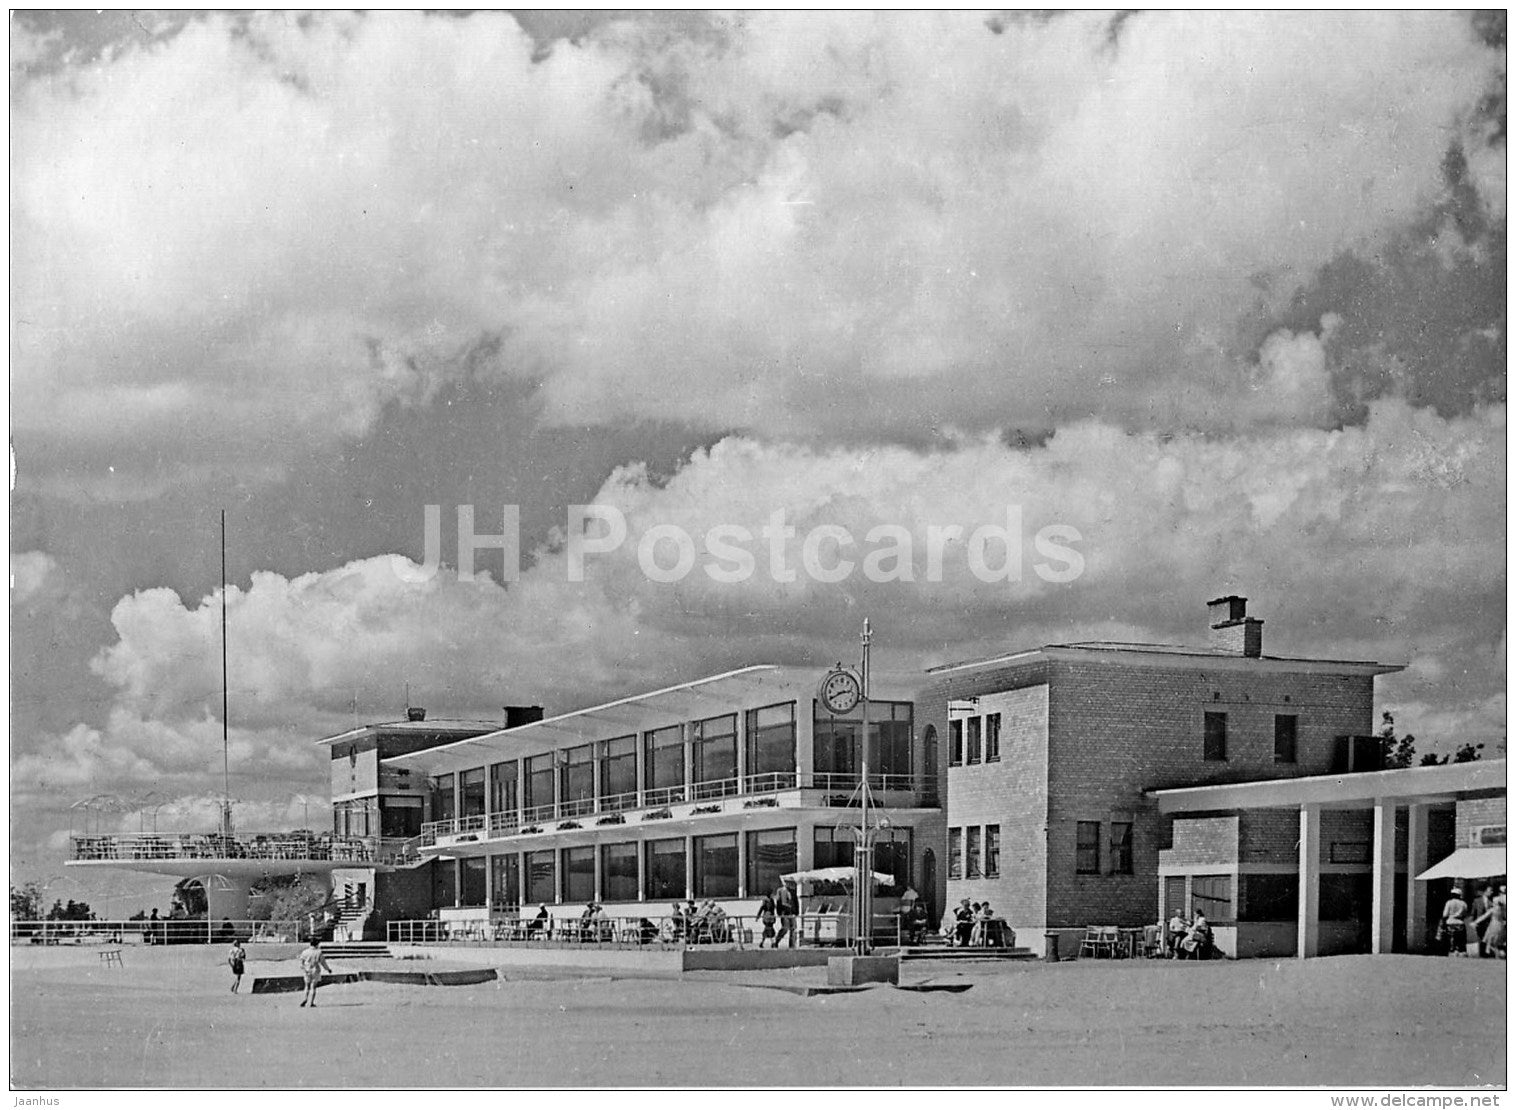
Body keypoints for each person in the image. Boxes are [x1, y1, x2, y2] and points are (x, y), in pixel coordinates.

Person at [298, 939, 331, 1008]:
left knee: (307, 986)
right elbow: (323, 962)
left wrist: (304, 968)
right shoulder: (319, 952)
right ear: (317, 944)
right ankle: (311, 1002)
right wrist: (328, 969)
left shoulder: (305, 952)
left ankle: (305, 999)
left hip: (307, 970)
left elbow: (301, 962)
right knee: (314, 987)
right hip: (315, 970)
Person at [1439, 888, 1470, 956]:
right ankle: (1460, 952)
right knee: (1460, 941)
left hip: (1450, 923)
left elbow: (1445, 914)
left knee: (1451, 940)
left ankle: (1453, 952)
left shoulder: (1449, 902)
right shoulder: (1464, 904)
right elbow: (1465, 914)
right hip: (1460, 923)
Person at [773, 880, 799, 949]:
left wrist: (797, 911)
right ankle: (776, 941)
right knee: (785, 928)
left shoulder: (793, 891)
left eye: (788, 882)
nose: (787, 884)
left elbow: (796, 901)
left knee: (793, 929)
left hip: (792, 913)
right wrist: (779, 912)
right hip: (784, 913)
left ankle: (792, 945)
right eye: (786, 882)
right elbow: (778, 902)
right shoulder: (780, 890)